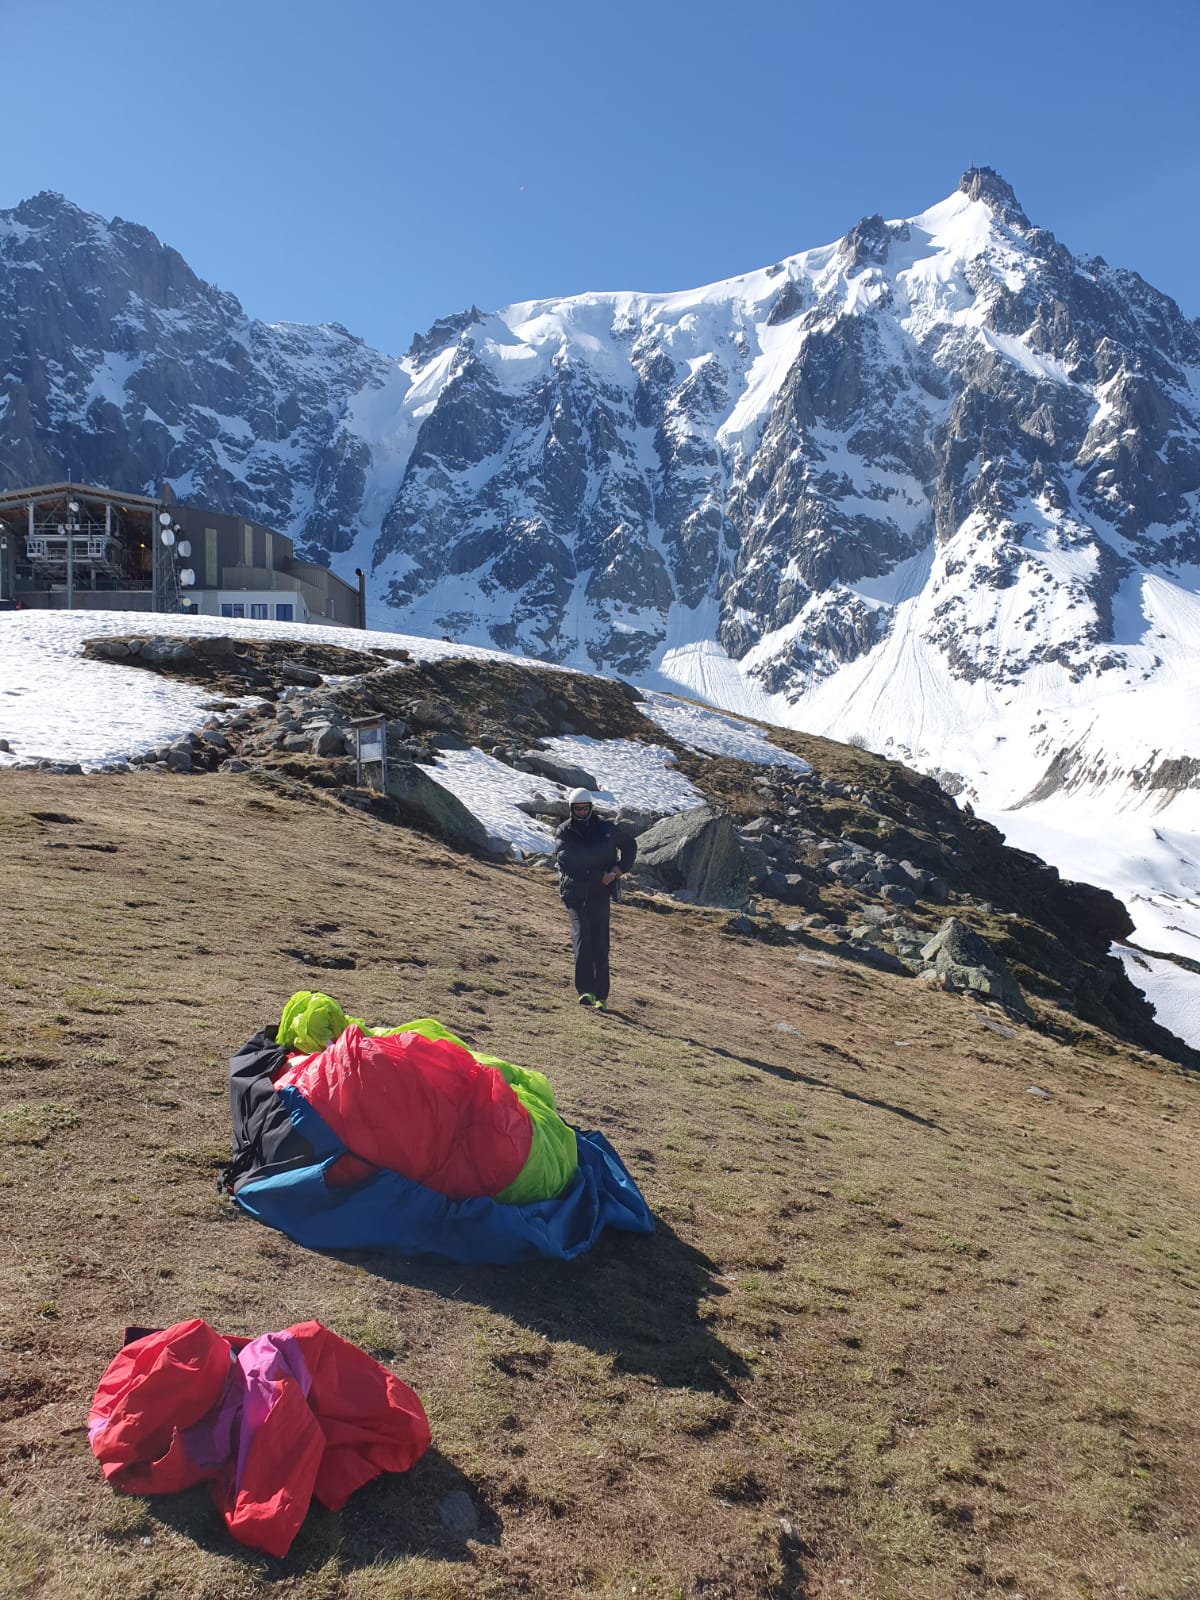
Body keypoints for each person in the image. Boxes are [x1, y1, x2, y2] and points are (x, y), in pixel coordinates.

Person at [554, 788, 636, 1011]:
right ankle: (585, 991)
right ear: (571, 809)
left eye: (585, 808)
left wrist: (619, 868)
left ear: (591, 807)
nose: (581, 812)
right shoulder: (565, 831)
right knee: (583, 940)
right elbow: (567, 862)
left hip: (601, 893)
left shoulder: (606, 829)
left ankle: (601, 996)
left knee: (601, 944)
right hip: (576, 894)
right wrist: (600, 875)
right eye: (577, 809)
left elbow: (630, 845)